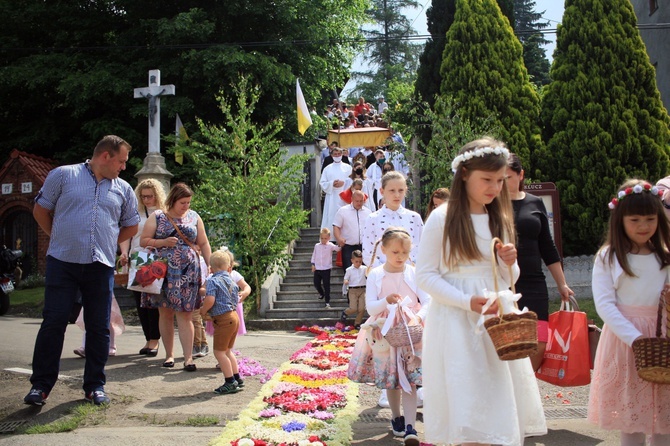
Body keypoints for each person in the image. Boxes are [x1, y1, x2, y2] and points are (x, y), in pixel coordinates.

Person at [415, 137, 547, 445]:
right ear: (463, 175)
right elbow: (425, 275)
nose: (495, 188)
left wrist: (508, 264)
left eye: (500, 181)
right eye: (486, 180)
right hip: (457, 322)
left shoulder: (498, 216)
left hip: (497, 319)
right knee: (466, 401)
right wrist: (465, 301)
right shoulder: (442, 218)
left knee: (499, 398)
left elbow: (509, 277)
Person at [25, 135, 140, 407]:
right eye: (121, 161)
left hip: (99, 266)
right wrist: (56, 237)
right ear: (106, 156)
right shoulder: (63, 175)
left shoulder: (123, 188)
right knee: (53, 323)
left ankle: (95, 386)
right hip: (62, 263)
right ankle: (40, 387)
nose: (123, 167)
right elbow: (40, 210)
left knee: (99, 328)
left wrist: (109, 243)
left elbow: (131, 226)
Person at [588, 179, 670, 445]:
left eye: (650, 219)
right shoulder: (608, 257)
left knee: (664, 420)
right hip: (626, 343)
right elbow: (605, 305)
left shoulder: (665, 257)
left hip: (663, 341)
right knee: (632, 418)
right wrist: (636, 339)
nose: (643, 226)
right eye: (634, 220)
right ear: (620, 219)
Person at [347, 227, 431, 446]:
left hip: (410, 331)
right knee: (392, 378)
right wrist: (387, 301)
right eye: (395, 252)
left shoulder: (413, 272)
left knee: (411, 378)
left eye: (404, 252)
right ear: (384, 249)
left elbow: (427, 300)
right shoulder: (376, 274)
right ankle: (397, 417)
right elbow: (371, 307)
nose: (400, 257)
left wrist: (418, 317)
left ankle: (411, 426)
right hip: (383, 331)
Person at [506, 153, 574, 371]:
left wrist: (562, 284)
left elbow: (548, 246)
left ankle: (529, 390)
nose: (503, 182)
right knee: (508, 343)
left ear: (521, 174)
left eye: (508, 177)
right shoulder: (490, 206)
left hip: (535, 282)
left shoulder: (534, 203)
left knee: (539, 342)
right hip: (503, 284)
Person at [140, 183, 212, 372]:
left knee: (187, 313)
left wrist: (210, 265)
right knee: (165, 312)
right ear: (173, 200)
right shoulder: (158, 216)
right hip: (163, 271)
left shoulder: (194, 217)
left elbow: (203, 242)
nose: (186, 206)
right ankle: (169, 355)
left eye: (188, 202)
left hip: (188, 271)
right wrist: (162, 242)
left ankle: (188, 358)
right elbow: (144, 240)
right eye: (182, 202)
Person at [119, 178, 166, 357]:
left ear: (157, 196)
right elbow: (126, 236)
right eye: (143, 196)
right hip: (137, 258)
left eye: (150, 196)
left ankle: (154, 339)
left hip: (157, 259)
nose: (146, 200)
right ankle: (149, 338)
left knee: (153, 301)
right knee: (140, 301)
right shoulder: (135, 213)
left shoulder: (164, 213)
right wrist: (124, 253)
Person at [200, 250, 244, 395]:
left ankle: (230, 382)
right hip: (233, 316)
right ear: (228, 267)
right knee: (227, 351)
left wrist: (203, 310)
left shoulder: (212, 280)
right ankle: (237, 378)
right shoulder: (231, 280)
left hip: (223, 320)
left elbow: (210, 299)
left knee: (219, 353)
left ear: (211, 268)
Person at [363, 171, 423, 269]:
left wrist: (411, 270)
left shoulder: (414, 218)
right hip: (382, 277)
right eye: (392, 190)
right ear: (382, 191)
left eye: (400, 190)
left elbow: (423, 247)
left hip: (411, 277)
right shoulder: (372, 219)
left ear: (406, 190)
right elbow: (368, 252)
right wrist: (386, 271)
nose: (397, 195)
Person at [333, 190, 372, 273]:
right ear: (352, 199)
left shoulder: (368, 212)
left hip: (364, 247)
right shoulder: (342, 211)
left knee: (365, 273)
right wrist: (339, 238)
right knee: (349, 272)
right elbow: (336, 226)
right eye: (357, 201)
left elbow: (371, 229)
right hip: (348, 247)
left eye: (361, 201)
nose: (359, 203)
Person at [319, 146, 352, 239]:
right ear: (331, 155)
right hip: (332, 196)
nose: (337, 156)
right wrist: (331, 183)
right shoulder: (327, 169)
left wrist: (344, 183)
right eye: (335, 154)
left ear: (342, 154)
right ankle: (331, 238)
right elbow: (322, 182)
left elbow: (353, 181)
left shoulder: (348, 167)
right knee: (331, 216)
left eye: (339, 154)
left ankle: (345, 236)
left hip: (344, 195)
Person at [311, 228, 341, 308]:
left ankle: (327, 302)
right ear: (320, 237)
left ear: (329, 238)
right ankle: (321, 293)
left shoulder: (330, 245)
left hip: (326, 268)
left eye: (325, 238)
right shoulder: (317, 246)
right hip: (317, 268)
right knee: (316, 283)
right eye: (322, 238)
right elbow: (314, 255)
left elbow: (337, 249)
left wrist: (341, 243)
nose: (323, 240)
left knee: (326, 285)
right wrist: (313, 264)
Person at [225, 249, 252, 337]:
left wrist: (244, 293)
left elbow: (246, 286)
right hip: (220, 306)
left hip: (234, 305)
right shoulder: (214, 276)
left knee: (233, 328)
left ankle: (229, 348)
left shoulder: (234, 275)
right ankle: (223, 348)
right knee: (222, 329)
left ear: (231, 265)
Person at [339, 250, 367, 328]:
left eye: (360, 262)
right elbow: (346, 278)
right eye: (356, 261)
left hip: (362, 289)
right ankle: (345, 312)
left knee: (362, 308)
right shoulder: (349, 270)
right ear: (352, 261)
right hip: (352, 290)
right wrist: (346, 281)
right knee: (353, 308)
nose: (358, 263)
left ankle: (357, 323)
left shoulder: (364, 268)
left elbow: (369, 274)